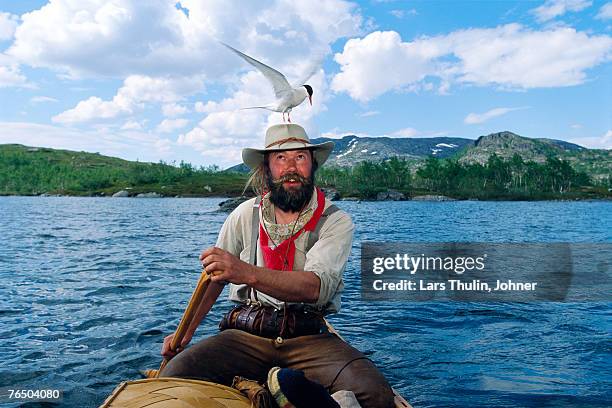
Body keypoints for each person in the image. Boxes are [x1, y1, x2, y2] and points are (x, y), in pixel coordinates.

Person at [160, 123, 395, 408]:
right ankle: (287, 390)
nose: (291, 167)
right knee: (174, 376)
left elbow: (315, 288)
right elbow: (214, 279)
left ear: (312, 165)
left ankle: (284, 389)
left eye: (300, 157)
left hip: (308, 339)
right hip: (245, 335)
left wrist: (245, 272)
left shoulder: (335, 220)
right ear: (267, 168)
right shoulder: (244, 215)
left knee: (376, 395)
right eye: (280, 158)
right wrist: (184, 333)